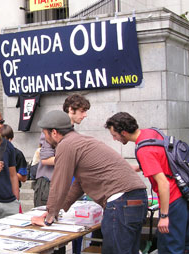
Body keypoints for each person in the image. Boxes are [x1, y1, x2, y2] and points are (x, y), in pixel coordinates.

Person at [31, 110, 148, 254]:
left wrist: (49, 216)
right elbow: (80, 183)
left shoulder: (66, 144)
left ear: (54, 132)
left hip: (120, 201)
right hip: (137, 198)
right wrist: (58, 209)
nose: (44, 138)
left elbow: (60, 182)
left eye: (44, 133)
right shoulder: (81, 141)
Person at [105, 112, 189, 254]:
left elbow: (163, 183)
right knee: (183, 244)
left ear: (124, 133)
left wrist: (163, 216)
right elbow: (162, 158)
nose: (114, 139)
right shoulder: (152, 132)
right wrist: (138, 167)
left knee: (170, 248)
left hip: (172, 200)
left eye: (115, 135)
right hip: (183, 195)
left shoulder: (144, 151)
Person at [34, 93, 90, 207]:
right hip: (49, 184)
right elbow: (45, 159)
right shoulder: (50, 128)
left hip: (68, 185)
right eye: (82, 111)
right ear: (71, 109)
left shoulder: (73, 133)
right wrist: (74, 160)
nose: (85, 115)